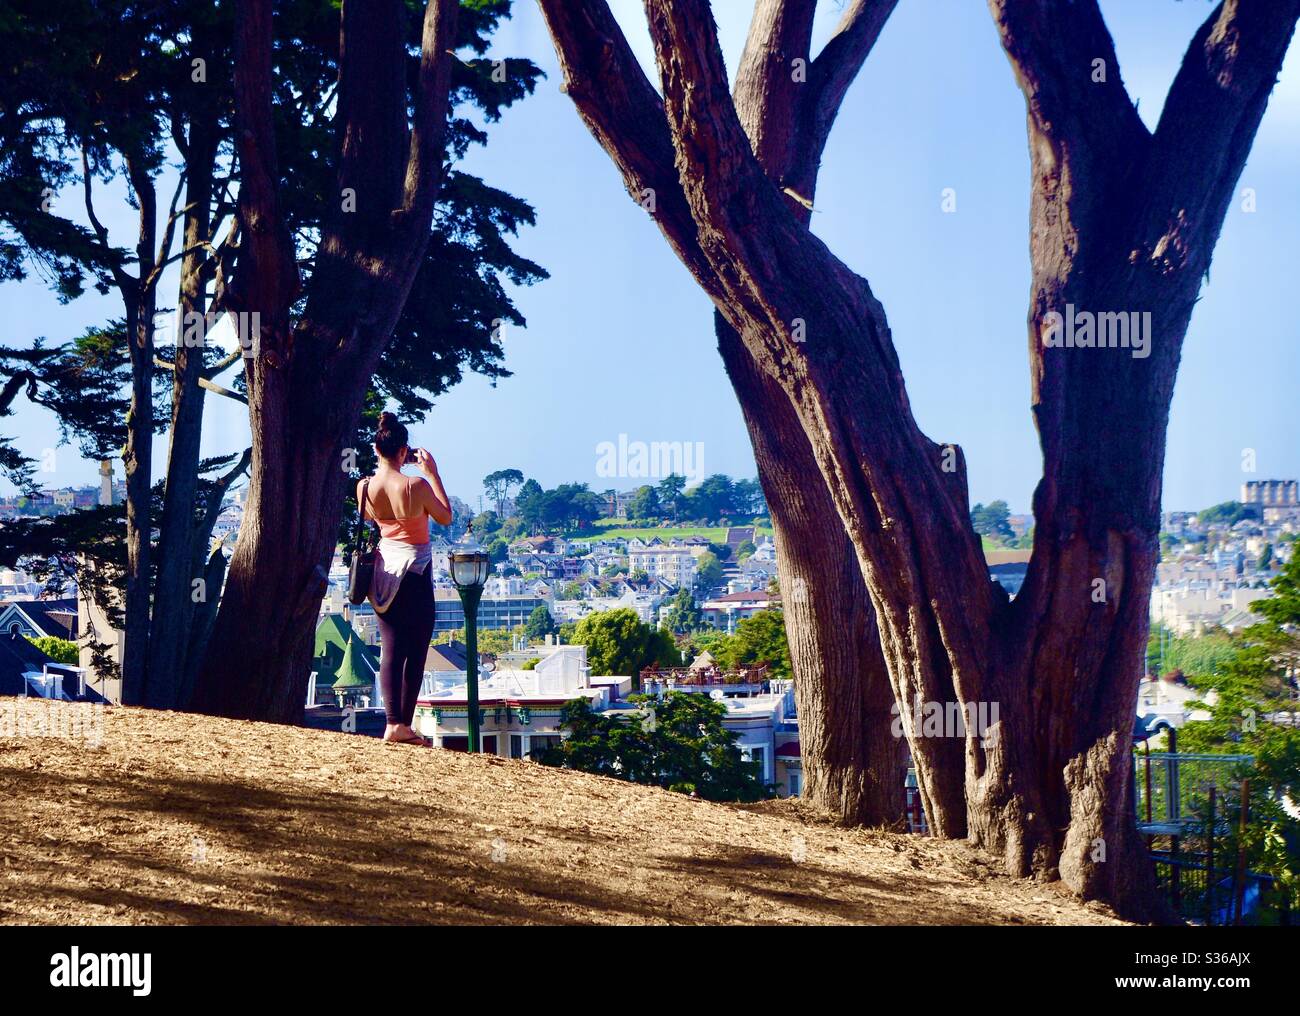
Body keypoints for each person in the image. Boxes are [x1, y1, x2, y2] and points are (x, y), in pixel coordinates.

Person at [357, 412, 453, 746]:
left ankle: (392, 722)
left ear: (375, 448)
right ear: (403, 452)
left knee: (391, 649)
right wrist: (433, 473)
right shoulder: (415, 485)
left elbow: (373, 519)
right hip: (415, 569)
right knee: (416, 647)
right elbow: (445, 516)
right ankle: (404, 725)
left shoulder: (364, 487)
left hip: (383, 572)